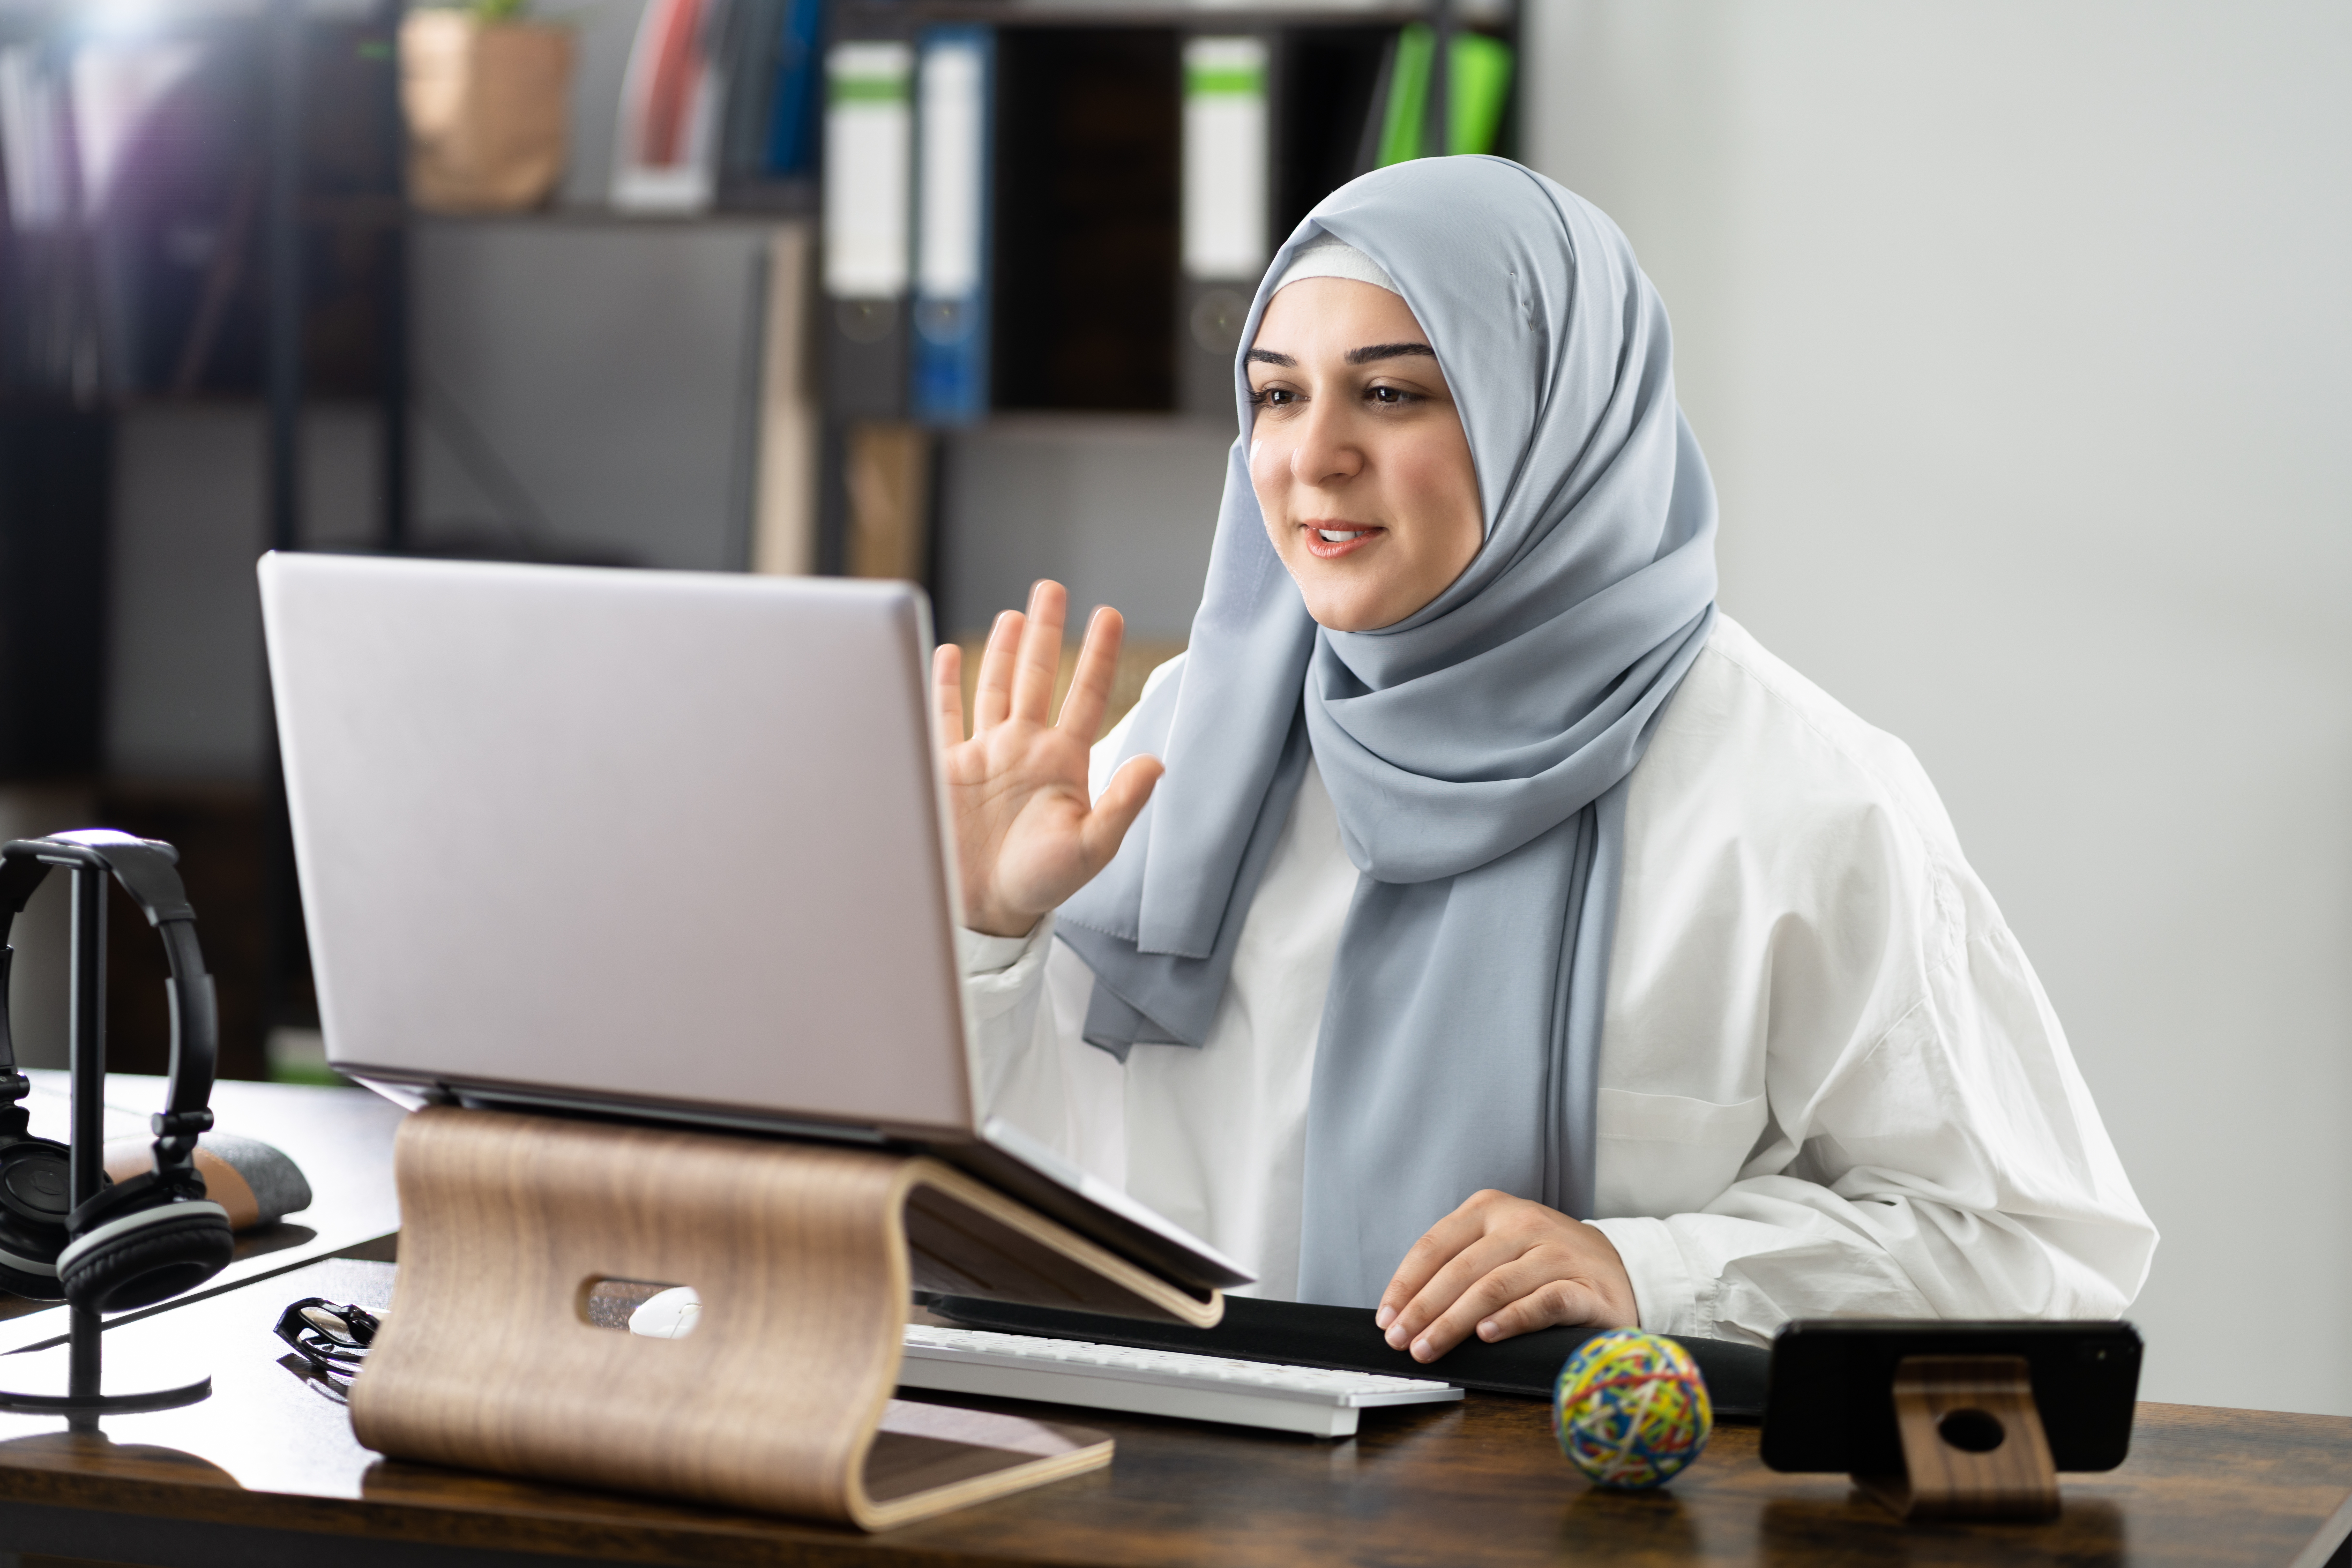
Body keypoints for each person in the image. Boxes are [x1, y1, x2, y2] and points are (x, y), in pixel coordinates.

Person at [932, 156, 2155, 1363]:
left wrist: (1648, 1271)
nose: (1313, 458)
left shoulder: (1798, 797)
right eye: (1278, 395)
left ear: (1555, 416)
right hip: (1181, 1502)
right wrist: (986, 937)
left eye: (1395, 394)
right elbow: (1042, 1201)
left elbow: (2025, 1253)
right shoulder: (1184, 739)